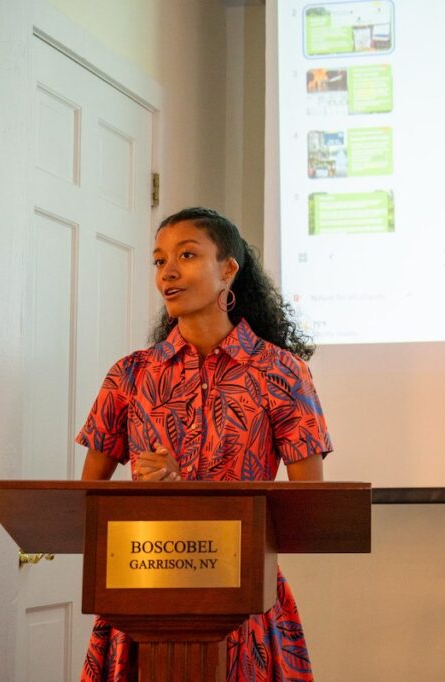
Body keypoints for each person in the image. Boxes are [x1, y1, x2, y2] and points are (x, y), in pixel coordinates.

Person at [76, 207, 332, 681]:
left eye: (187, 255)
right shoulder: (129, 375)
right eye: (158, 261)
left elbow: (307, 506)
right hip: (142, 589)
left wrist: (200, 496)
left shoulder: (281, 372)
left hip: (241, 596)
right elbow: (88, 502)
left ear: (228, 270)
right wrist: (156, 495)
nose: (168, 271)